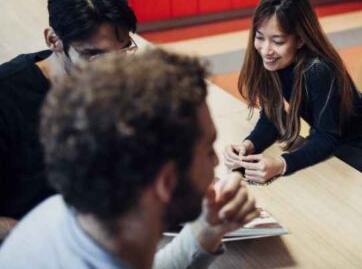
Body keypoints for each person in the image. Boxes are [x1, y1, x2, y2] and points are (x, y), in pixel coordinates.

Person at [0, 49, 259, 268]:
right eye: (208, 150)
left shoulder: (62, 210)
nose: (215, 163)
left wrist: (206, 231)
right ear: (166, 182)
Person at [0, 0, 137, 241]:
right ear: (54, 40)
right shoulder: (7, 98)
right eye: (94, 55)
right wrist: (58, 237)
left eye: (123, 51)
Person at [223, 0, 362, 183]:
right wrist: (248, 145)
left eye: (277, 41)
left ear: (300, 40)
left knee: (320, 193)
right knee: (297, 184)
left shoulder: (318, 69)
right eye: (260, 37)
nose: (266, 50)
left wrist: (281, 164)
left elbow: (326, 137)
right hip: (331, 141)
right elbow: (272, 117)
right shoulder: (276, 61)